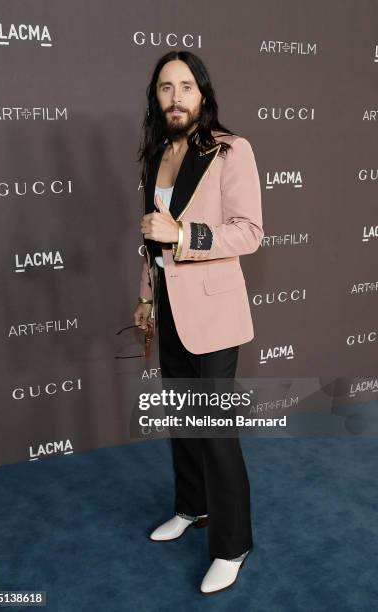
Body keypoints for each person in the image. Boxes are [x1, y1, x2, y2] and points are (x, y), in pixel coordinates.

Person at [134, 50, 263, 595]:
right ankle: (193, 508)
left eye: (186, 86)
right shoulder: (156, 154)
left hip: (214, 314)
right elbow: (149, 238)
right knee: (183, 425)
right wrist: (144, 298)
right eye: (166, 88)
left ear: (203, 94)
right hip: (170, 312)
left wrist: (185, 237)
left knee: (214, 433)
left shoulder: (232, 150)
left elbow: (248, 232)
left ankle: (233, 545)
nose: (176, 97)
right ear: (156, 98)